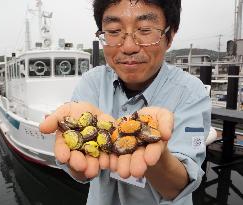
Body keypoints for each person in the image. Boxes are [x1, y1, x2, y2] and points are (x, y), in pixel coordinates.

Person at [39, 0, 211, 204]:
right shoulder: (91, 82)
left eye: (145, 30)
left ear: (170, 35)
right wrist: (77, 154)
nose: (128, 47)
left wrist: (155, 153)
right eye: (113, 31)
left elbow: (179, 186)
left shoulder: (191, 92)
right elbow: (81, 174)